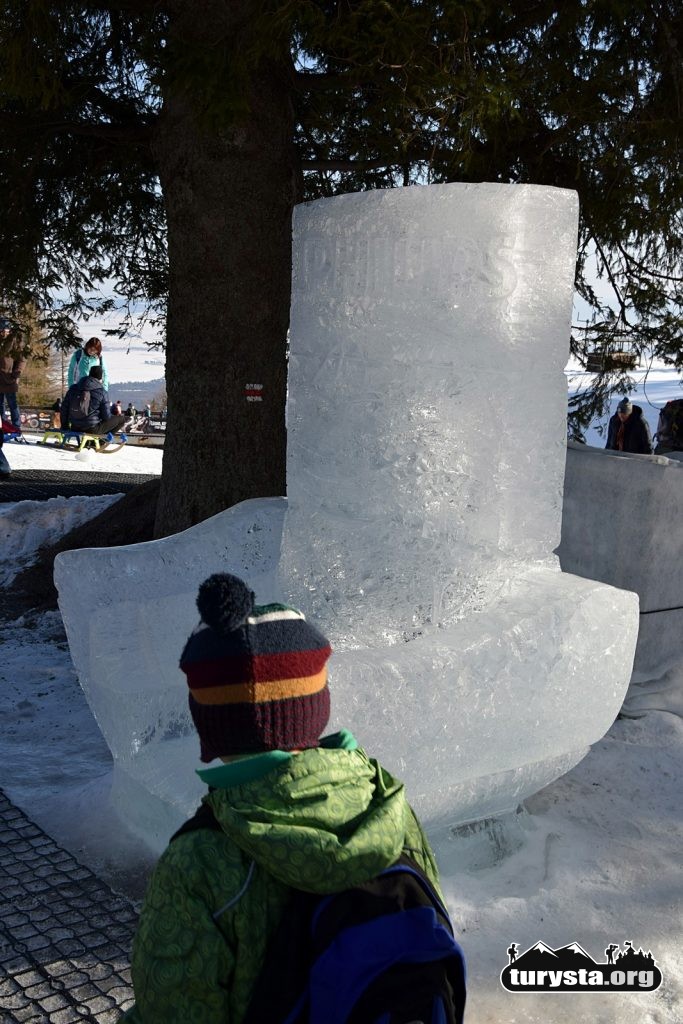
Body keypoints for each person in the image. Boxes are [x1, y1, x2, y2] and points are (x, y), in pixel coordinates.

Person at [123, 573, 444, 1023]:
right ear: (317, 707)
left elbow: (172, 1008)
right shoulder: (387, 804)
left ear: (209, 725)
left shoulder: (197, 860)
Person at [60, 365, 125, 435]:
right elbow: (106, 417)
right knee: (121, 420)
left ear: (90, 374)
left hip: (75, 427)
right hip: (92, 429)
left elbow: (64, 409)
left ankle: (96, 439)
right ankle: (103, 440)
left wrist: (64, 426)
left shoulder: (73, 389)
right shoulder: (102, 392)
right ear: (100, 378)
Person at [0, 317, 26, 430]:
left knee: (12, 404)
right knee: (0, 405)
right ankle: (2, 426)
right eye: (2, 330)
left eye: (5, 330)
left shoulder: (15, 342)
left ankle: (16, 426)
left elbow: (22, 360)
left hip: (10, 378)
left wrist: (16, 374)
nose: (4, 333)